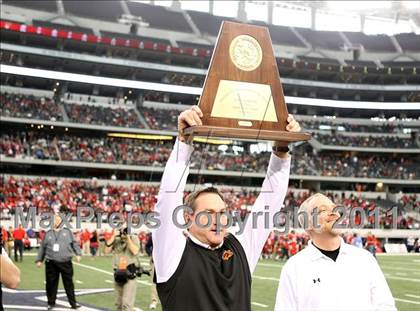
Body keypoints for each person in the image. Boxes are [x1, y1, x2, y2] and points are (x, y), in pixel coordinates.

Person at [152, 106, 299, 311]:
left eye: (222, 213)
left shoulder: (240, 248)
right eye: (208, 214)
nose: (218, 220)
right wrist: (184, 142)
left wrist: (282, 148)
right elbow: (168, 196)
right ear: (187, 218)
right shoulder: (173, 254)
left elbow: (270, 201)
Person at [274, 193, 396, 311]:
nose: (334, 213)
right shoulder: (294, 268)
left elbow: (385, 305)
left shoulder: (365, 259)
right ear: (308, 224)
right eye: (322, 210)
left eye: (334, 208)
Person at [35, 215, 82, 310]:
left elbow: (74, 243)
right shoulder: (48, 233)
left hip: (66, 262)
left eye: (58, 220)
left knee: (69, 284)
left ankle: (73, 303)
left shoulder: (68, 232)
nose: (56, 222)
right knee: (50, 284)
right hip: (51, 262)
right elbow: (42, 248)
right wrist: (39, 259)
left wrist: (78, 254)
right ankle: (51, 303)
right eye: (55, 220)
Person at [104, 227, 141, 311]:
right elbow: (106, 251)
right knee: (118, 304)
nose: (123, 233)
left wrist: (128, 238)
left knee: (126, 304)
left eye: (125, 230)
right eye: (122, 230)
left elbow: (135, 251)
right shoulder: (116, 240)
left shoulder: (134, 238)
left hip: (129, 274)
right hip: (118, 274)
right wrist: (113, 236)